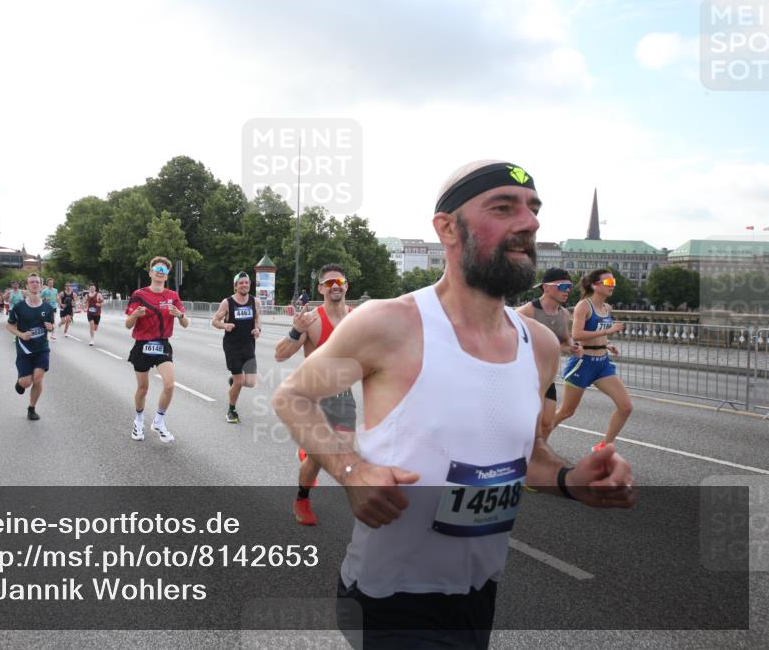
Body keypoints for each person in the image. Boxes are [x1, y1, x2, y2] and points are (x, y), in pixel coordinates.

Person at [272, 160, 635, 648]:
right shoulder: (391, 325)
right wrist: (352, 471)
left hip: (478, 593)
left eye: (532, 210)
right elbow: (292, 395)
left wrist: (571, 481)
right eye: (503, 207)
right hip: (389, 597)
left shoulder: (540, 346)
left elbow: (529, 454)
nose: (527, 222)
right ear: (446, 227)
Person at [275, 264, 355, 526]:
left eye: (339, 281)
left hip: (343, 396)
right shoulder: (311, 320)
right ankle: (302, 498)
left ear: (346, 286)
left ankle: (308, 455)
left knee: (344, 449)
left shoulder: (357, 320)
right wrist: (296, 330)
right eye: (329, 283)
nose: (335, 286)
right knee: (320, 454)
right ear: (321, 288)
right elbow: (280, 354)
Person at [550, 268, 632, 450]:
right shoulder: (584, 306)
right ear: (595, 285)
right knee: (566, 411)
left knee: (625, 407)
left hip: (602, 363)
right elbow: (577, 334)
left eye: (614, 283)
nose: (613, 286)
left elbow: (598, 331)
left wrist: (606, 343)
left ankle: (604, 447)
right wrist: (608, 331)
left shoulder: (607, 307)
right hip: (583, 363)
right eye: (609, 283)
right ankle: (536, 441)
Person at [124, 256, 188, 444]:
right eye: (157, 269)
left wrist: (180, 315)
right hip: (142, 345)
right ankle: (139, 420)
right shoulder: (139, 294)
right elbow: (128, 325)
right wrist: (135, 315)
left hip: (162, 344)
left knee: (169, 385)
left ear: (167, 276)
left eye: (164, 270)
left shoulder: (172, 296)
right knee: (143, 388)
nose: (160, 272)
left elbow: (185, 323)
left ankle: (159, 421)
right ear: (151, 272)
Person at [516, 268, 582, 441]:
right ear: (546, 287)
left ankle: (537, 455)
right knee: (530, 423)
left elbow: (565, 340)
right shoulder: (526, 311)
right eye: (562, 286)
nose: (567, 290)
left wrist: (573, 347)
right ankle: (525, 457)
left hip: (547, 376)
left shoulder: (564, 314)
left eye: (570, 286)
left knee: (547, 423)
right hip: (526, 376)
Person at [212, 271, 262, 423]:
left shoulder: (255, 302)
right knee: (239, 381)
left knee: (251, 382)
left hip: (249, 345)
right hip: (232, 346)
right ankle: (231, 410)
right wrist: (224, 325)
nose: (244, 285)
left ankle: (233, 382)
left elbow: (257, 317)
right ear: (235, 286)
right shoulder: (227, 302)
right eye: (241, 283)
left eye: (246, 282)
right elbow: (214, 321)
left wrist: (257, 329)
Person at [6, 274, 55, 421]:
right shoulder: (19, 307)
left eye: (37, 282)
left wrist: (50, 327)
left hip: (42, 348)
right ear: (26, 286)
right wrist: (20, 334)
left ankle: (31, 408)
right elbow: (9, 326)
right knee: (26, 382)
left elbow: (52, 326)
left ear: (41, 286)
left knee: (38, 379)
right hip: (24, 348)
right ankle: (20, 381)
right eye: (31, 282)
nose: (34, 284)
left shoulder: (48, 307)